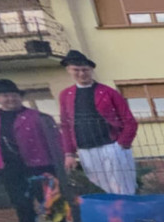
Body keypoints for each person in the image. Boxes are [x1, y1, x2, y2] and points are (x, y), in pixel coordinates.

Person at [0, 78, 78, 222]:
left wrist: (61, 162)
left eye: (14, 95)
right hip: (8, 168)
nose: (10, 99)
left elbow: (55, 141)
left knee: (51, 200)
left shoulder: (39, 117)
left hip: (40, 165)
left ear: (19, 97)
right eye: (5, 96)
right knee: (21, 204)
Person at [58, 50, 138, 195]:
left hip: (111, 146)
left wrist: (121, 145)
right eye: (76, 70)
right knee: (100, 188)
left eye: (85, 70)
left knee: (123, 187)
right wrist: (69, 153)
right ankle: (112, 217)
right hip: (85, 149)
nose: (81, 74)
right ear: (69, 70)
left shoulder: (108, 92)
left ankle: (127, 215)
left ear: (91, 70)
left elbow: (129, 120)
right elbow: (65, 125)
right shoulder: (65, 95)